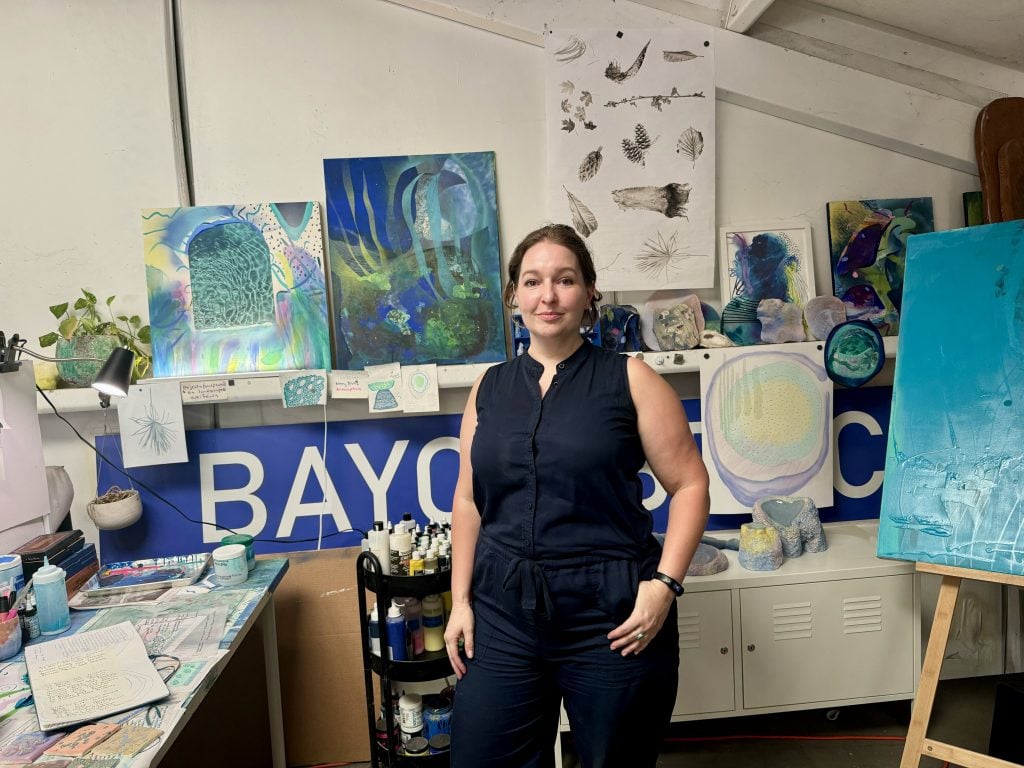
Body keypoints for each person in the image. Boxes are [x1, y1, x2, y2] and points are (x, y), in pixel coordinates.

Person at [444, 223, 710, 767]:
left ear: (589, 294)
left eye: (564, 280)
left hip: (611, 616)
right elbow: (469, 501)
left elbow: (690, 485)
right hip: (504, 610)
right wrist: (461, 602)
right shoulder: (488, 388)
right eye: (533, 280)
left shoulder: (631, 379)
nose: (548, 295)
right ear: (514, 294)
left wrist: (663, 586)